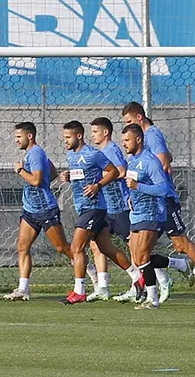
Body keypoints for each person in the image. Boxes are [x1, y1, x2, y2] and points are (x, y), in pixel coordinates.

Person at [121, 102, 195, 304]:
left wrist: (144, 184)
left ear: (139, 118)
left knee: (180, 243)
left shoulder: (151, 135)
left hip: (162, 201)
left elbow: (163, 163)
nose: (128, 126)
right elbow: (168, 156)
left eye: (130, 121)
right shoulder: (140, 150)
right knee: (144, 251)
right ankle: (175, 272)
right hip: (147, 205)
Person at [58, 121, 138, 304]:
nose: (65, 141)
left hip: (94, 207)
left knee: (76, 248)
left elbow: (113, 171)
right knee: (106, 249)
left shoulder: (93, 154)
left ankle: (79, 291)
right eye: (64, 137)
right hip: (84, 207)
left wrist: (98, 186)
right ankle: (137, 277)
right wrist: (69, 176)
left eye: (68, 137)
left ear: (79, 136)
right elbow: (83, 175)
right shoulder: (71, 156)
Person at [5, 122, 76, 302]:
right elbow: (52, 173)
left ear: (29, 136)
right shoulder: (36, 153)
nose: (16, 140)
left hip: (45, 209)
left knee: (61, 247)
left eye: (18, 137)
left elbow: (36, 181)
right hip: (30, 210)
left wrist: (20, 170)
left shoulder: (35, 153)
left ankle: (91, 272)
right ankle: (23, 289)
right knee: (22, 247)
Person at [121, 124, 178, 310]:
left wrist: (138, 187)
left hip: (152, 213)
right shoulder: (132, 160)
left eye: (127, 140)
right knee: (138, 259)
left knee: (143, 256)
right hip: (136, 214)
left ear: (138, 140)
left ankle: (153, 299)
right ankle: (179, 264)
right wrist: (130, 197)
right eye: (123, 141)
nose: (124, 144)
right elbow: (132, 184)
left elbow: (163, 189)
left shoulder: (150, 161)